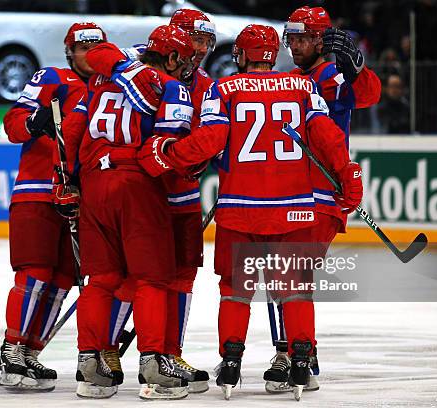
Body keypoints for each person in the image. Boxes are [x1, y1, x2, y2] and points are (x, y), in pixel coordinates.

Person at [136, 24, 363, 400]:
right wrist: (348, 175)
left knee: (235, 290)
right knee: (295, 288)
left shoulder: (221, 89)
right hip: (294, 208)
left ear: (241, 55)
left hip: (240, 208)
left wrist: (168, 156)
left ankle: (231, 362)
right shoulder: (303, 87)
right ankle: (302, 360)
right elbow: (327, 136)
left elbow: (209, 141)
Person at [85, 8, 217, 393]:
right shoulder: (137, 57)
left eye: (206, 42)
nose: (199, 49)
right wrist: (130, 71)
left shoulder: (208, 84)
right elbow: (97, 53)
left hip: (181, 193)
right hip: (145, 190)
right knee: (136, 277)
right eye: (193, 39)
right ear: (175, 39)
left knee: (180, 276)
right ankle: (110, 352)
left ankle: (168, 354)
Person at [66, 25, 196, 400]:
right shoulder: (171, 86)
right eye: (183, 58)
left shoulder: (101, 81)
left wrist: (70, 179)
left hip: (93, 182)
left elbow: (74, 128)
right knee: (152, 278)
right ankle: (155, 362)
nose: (186, 65)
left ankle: (91, 363)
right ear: (170, 57)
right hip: (136, 184)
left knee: (101, 278)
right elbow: (169, 146)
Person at [262, 6, 381, 393]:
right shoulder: (291, 79)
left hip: (319, 195)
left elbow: (367, 96)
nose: (294, 45)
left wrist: (357, 67)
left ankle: (293, 353)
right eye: (291, 38)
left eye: (301, 38)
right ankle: (300, 352)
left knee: (288, 273)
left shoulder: (330, 75)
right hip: (290, 191)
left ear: (319, 39)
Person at [0, 22, 106, 391]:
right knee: (35, 272)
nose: (90, 55)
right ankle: (11, 349)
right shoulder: (51, 78)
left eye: (96, 48)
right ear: (69, 52)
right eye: (82, 48)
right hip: (38, 191)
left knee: (62, 279)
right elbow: (12, 124)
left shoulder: (109, 88)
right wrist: (33, 122)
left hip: (80, 199)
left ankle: (30, 352)